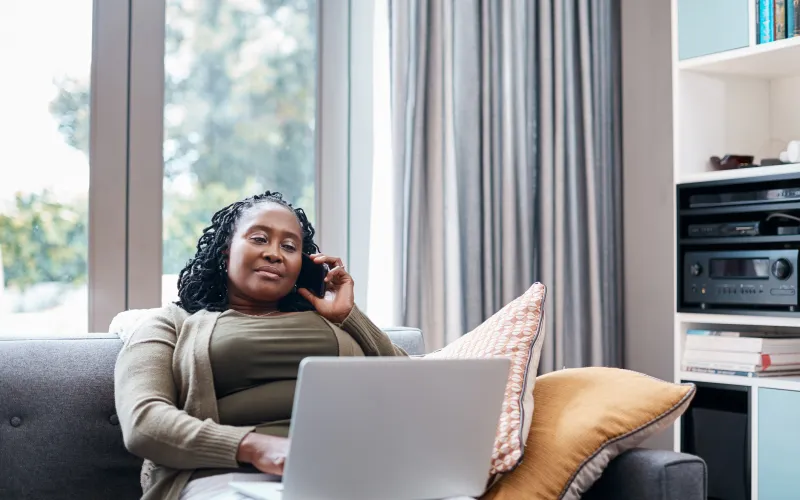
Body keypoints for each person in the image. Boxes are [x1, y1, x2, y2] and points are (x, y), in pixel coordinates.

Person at [114, 191, 407, 500]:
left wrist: (349, 315)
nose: (274, 254)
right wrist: (256, 447)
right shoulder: (172, 323)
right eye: (259, 239)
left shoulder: (336, 320)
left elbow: (415, 390)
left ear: (303, 265)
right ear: (226, 251)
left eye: (289, 246)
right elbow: (143, 421)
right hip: (227, 479)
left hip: (350, 475)